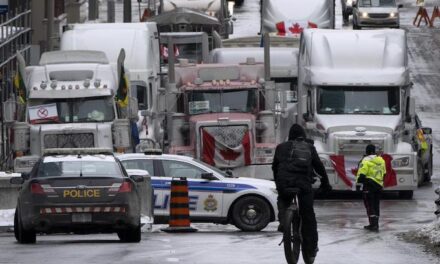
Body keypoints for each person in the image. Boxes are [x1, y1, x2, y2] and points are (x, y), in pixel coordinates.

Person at [272, 124, 332, 263]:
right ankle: (311, 250)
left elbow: (275, 168)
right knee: (308, 216)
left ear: (289, 135)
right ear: (303, 136)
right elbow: (319, 167)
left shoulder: (280, 147)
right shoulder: (309, 147)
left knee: (283, 199)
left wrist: (279, 185)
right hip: (303, 184)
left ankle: (283, 222)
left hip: (284, 182)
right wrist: (326, 185)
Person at [356, 144, 386, 231]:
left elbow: (362, 174)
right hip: (379, 185)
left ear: (367, 151)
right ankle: (376, 224)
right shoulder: (381, 160)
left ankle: (372, 225)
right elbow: (384, 173)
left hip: (369, 185)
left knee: (369, 205)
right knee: (376, 205)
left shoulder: (365, 160)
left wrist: (359, 184)